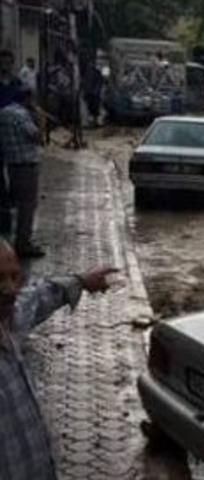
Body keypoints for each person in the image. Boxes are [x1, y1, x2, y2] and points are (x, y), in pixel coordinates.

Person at [0, 238, 117, 480]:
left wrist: (81, 281)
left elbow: (36, 299)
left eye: (15, 277)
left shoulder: (9, 322)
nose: (10, 290)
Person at [0, 89, 44, 258]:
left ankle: (13, 240)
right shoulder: (21, 115)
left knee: (16, 204)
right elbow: (37, 136)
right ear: (28, 99)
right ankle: (23, 243)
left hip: (11, 165)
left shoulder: (3, 113)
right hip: (26, 165)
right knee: (27, 206)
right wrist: (39, 119)